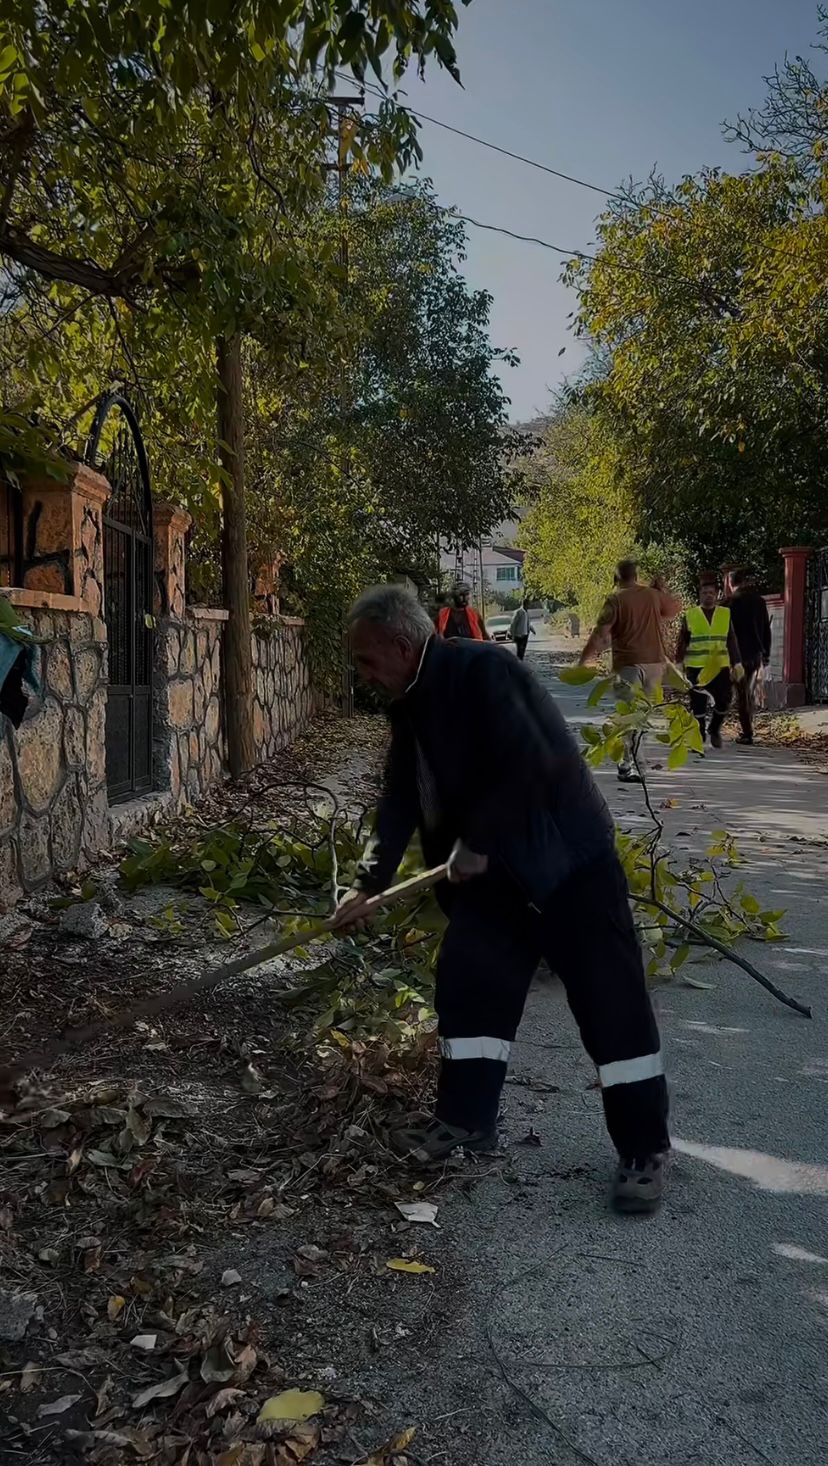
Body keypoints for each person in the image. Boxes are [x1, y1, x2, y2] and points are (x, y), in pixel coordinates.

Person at [335, 585, 670, 1214]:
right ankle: (465, 1121)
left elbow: (532, 760)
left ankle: (643, 1150)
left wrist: (479, 839)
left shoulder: (485, 671)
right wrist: (368, 881)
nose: (363, 673)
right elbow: (400, 800)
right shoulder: (410, 706)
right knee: (468, 986)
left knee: (612, 1006)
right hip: (493, 887)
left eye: (365, 660)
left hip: (568, 869)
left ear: (401, 646)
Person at [579, 560, 682, 784]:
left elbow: (600, 634)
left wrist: (583, 660)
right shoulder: (652, 596)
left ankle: (632, 765)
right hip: (654, 665)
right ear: (636, 576)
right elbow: (674, 607)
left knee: (628, 718)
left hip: (628, 666)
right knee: (642, 718)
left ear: (616, 580)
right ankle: (629, 763)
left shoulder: (615, 599)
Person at [675, 576, 743, 748]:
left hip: (720, 667)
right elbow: (683, 640)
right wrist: (678, 662)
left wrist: (737, 663)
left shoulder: (725, 614)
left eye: (711, 593)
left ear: (717, 594)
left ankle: (714, 728)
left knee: (724, 700)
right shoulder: (690, 615)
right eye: (705, 593)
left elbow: (731, 639)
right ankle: (699, 733)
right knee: (698, 703)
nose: (708, 596)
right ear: (700, 595)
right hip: (696, 666)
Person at [726, 567, 771, 745]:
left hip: (736, 654)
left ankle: (747, 732)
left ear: (730, 583)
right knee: (747, 692)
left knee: (741, 692)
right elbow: (765, 629)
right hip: (754, 653)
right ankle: (747, 728)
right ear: (744, 581)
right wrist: (766, 652)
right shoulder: (759, 601)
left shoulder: (729, 603)